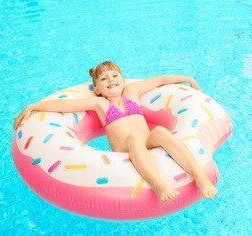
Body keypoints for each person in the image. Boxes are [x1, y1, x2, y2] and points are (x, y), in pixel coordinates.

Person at [14, 61, 218, 202]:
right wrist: (33, 106)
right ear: (97, 89)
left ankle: (199, 176)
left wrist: (188, 78)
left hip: (147, 140)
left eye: (114, 75)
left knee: (162, 133)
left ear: (122, 78)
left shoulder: (132, 91)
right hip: (125, 146)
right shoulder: (100, 104)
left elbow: (162, 79)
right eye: (103, 79)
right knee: (133, 138)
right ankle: (158, 184)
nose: (110, 80)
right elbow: (66, 105)